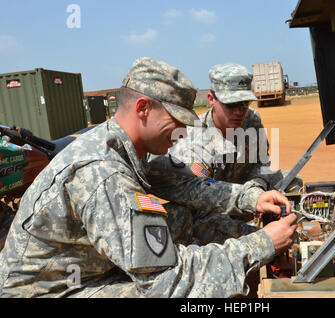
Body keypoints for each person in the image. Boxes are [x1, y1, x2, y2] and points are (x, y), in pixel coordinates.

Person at [0, 57, 298, 298]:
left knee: (181, 219)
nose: (183, 130)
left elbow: (186, 185)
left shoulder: (126, 146)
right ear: (143, 108)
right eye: (176, 120)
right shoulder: (104, 173)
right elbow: (166, 280)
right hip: (52, 290)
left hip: (86, 270)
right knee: (194, 289)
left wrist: (251, 197)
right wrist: (260, 245)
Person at [150, 63, 302, 221]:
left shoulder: (252, 119)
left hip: (246, 191)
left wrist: (257, 187)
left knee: (291, 180)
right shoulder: (195, 139)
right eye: (231, 104)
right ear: (211, 99)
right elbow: (200, 194)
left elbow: (261, 162)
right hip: (211, 201)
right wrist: (251, 204)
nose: (239, 111)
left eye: (244, 103)